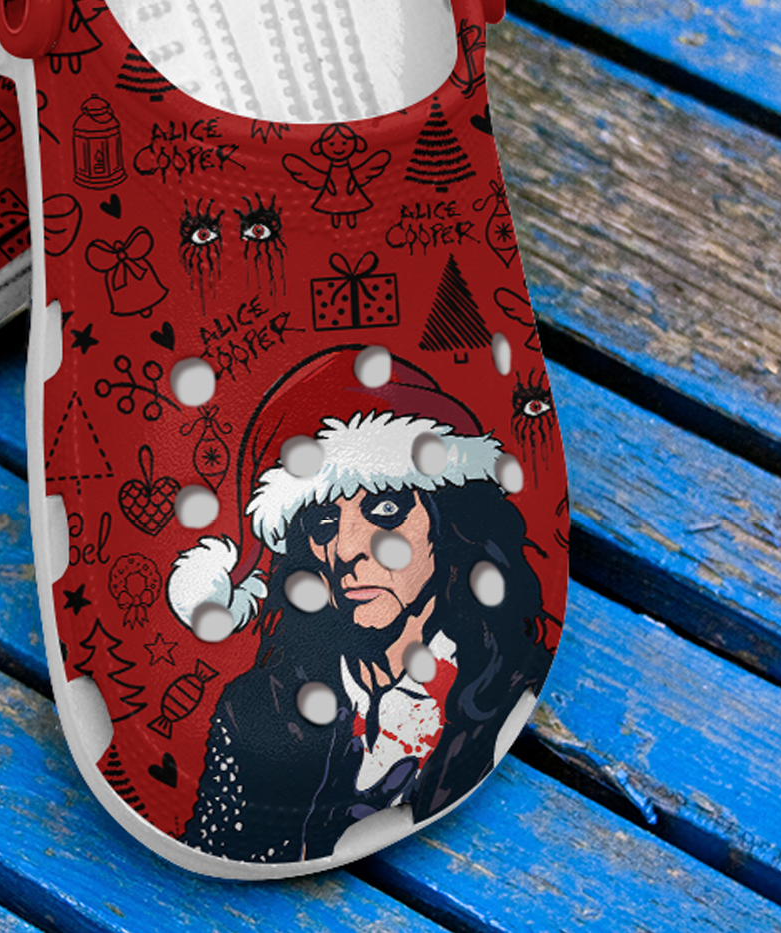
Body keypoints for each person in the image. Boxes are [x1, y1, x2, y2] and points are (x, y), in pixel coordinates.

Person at [167, 347, 551, 863]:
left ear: (449, 524)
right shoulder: (255, 711)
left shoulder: (512, 684)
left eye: (386, 507)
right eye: (324, 522)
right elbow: (217, 850)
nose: (347, 549)